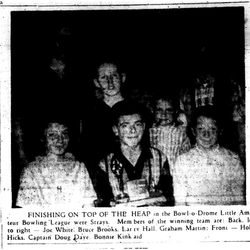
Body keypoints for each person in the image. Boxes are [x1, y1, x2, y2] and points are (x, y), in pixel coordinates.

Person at [98, 100, 174, 207]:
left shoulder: (159, 158)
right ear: (115, 130)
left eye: (137, 124)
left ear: (144, 127)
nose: (132, 130)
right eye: (125, 125)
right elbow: (102, 203)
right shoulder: (104, 164)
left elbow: (169, 198)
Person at [173, 106, 245, 206]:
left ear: (220, 131)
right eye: (201, 128)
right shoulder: (183, 161)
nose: (206, 134)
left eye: (212, 129)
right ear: (193, 131)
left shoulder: (232, 159)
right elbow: (180, 202)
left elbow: (239, 198)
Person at [16, 120, 97, 208]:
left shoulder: (79, 168)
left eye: (64, 134)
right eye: (53, 135)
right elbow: (29, 213)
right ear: (43, 138)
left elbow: (89, 208)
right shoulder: (31, 171)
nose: (60, 140)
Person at [149, 92, 191, 174]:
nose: (163, 115)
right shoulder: (148, 133)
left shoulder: (181, 133)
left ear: (175, 111)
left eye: (169, 110)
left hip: (176, 174)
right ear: (152, 110)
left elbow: (186, 155)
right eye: (159, 110)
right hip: (154, 174)